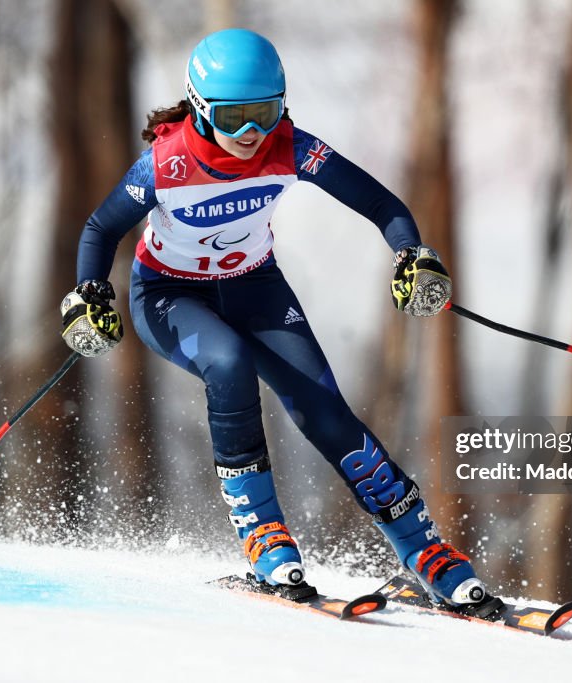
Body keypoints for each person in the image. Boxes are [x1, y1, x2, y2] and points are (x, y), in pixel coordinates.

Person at [60, 28, 486, 607]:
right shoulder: (166, 162)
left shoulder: (291, 147)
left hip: (254, 288)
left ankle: (425, 550)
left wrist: (413, 254)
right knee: (228, 364)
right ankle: (264, 536)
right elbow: (99, 228)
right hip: (169, 297)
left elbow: (382, 204)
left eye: (264, 114)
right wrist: (89, 292)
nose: (250, 134)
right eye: (233, 118)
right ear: (200, 109)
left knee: (324, 410)